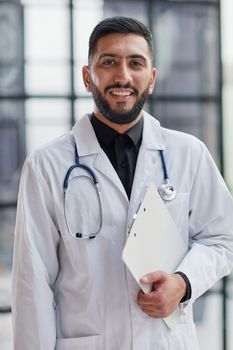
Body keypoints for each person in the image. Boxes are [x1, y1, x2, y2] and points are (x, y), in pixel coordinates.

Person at [12, 16, 233, 350]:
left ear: (152, 78)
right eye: (109, 62)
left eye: (136, 63)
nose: (123, 76)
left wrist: (183, 283)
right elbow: (32, 283)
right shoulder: (46, 166)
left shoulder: (189, 154)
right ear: (88, 77)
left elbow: (224, 238)